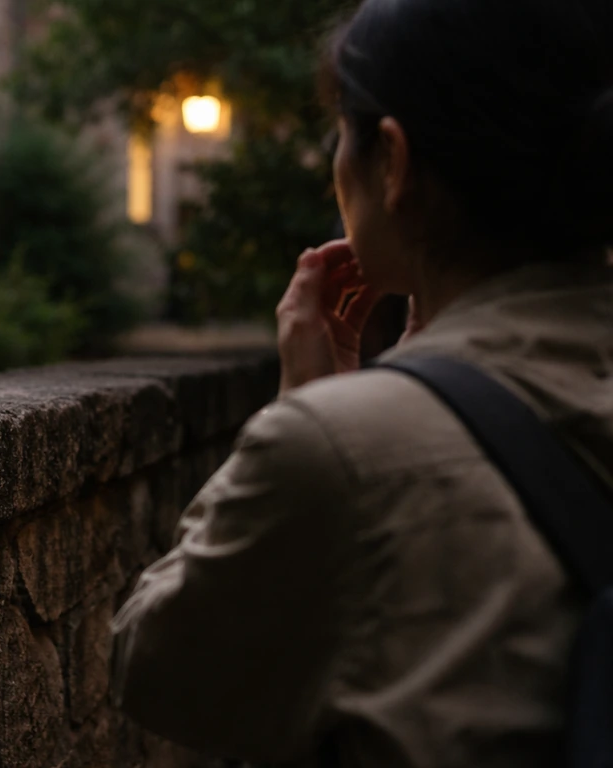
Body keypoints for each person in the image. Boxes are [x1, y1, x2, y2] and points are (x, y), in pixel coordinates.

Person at [109, 0, 613, 765]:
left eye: (338, 133)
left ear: (394, 161)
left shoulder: (343, 447)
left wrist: (311, 409)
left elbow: (157, 668)